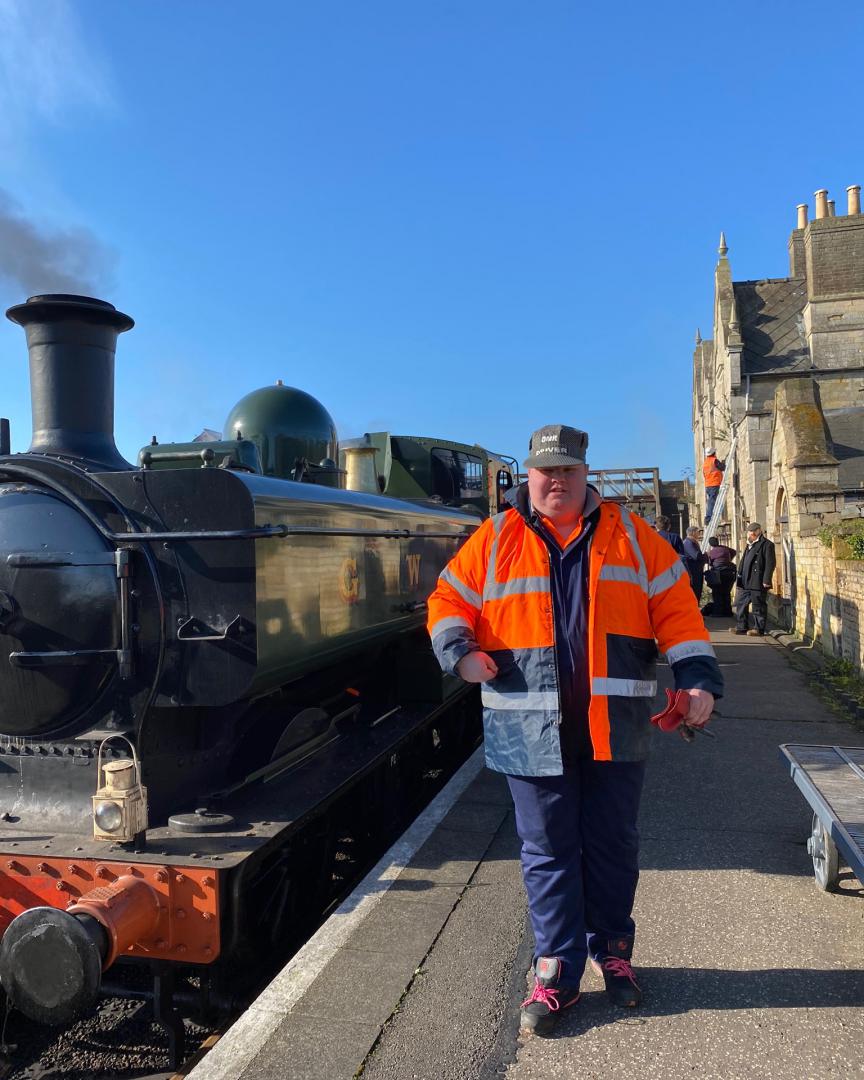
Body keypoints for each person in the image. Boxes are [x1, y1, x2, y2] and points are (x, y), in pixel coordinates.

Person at [427, 424, 723, 1035]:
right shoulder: (495, 538)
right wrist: (459, 652)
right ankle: (557, 972)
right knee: (547, 854)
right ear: (528, 475)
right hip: (529, 730)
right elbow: (447, 599)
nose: (555, 479)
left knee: (614, 847)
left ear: (585, 473)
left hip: (614, 727)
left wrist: (697, 679)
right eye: (544, 469)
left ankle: (614, 954)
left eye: (566, 469)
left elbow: (679, 611)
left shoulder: (636, 539)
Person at [733, 522, 776, 636]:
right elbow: (744, 560)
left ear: (758, 531)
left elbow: (770, 564)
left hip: (757, 580)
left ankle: (758, 629)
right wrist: (739, 575)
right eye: (749, 533)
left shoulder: (767, 545)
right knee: (741, 604)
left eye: (752, 533)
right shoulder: (749, 544)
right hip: (745, 580)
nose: (750, 535)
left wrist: (766, 580)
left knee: (758, 605)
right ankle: (741, 626)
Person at [704, 535, 736, 617]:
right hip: (729, 572)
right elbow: (734, 552)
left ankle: (718, 612)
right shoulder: (725, 549)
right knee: (726, 593)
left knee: (717, 593)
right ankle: (728, 612)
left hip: (718, 574)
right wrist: (729, 559)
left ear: (710, 544)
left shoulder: (712, 552)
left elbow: (709, 562)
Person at [682, 525, 707, 603]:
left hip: (697, 571)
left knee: (698, 591)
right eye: (697, 532)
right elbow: (696, 556)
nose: (699, 534)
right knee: (694, 591)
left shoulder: (693, 542)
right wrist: (706, 555)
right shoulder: (688, 543)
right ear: (692, 533)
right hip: (693, 572)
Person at [702, 448, 725, 526]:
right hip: (714, 484)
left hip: (708, 485)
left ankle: (709, 517)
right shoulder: (714, 460)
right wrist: (723, 463)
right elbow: (722, 468)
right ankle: (708, 518)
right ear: (714, 453)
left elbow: (704, 474)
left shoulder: (705, 463)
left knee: (711, 501)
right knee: (712, 502)